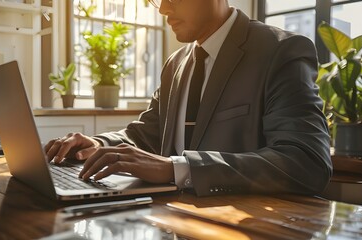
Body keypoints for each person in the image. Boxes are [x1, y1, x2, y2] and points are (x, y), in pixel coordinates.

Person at [45, 0, 332, 196]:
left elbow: (307, 162)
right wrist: (99, 144)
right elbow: (148, 133)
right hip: (175, 221)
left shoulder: (280, 51)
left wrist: (177, 168)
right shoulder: (176, 63)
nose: (164, 9)